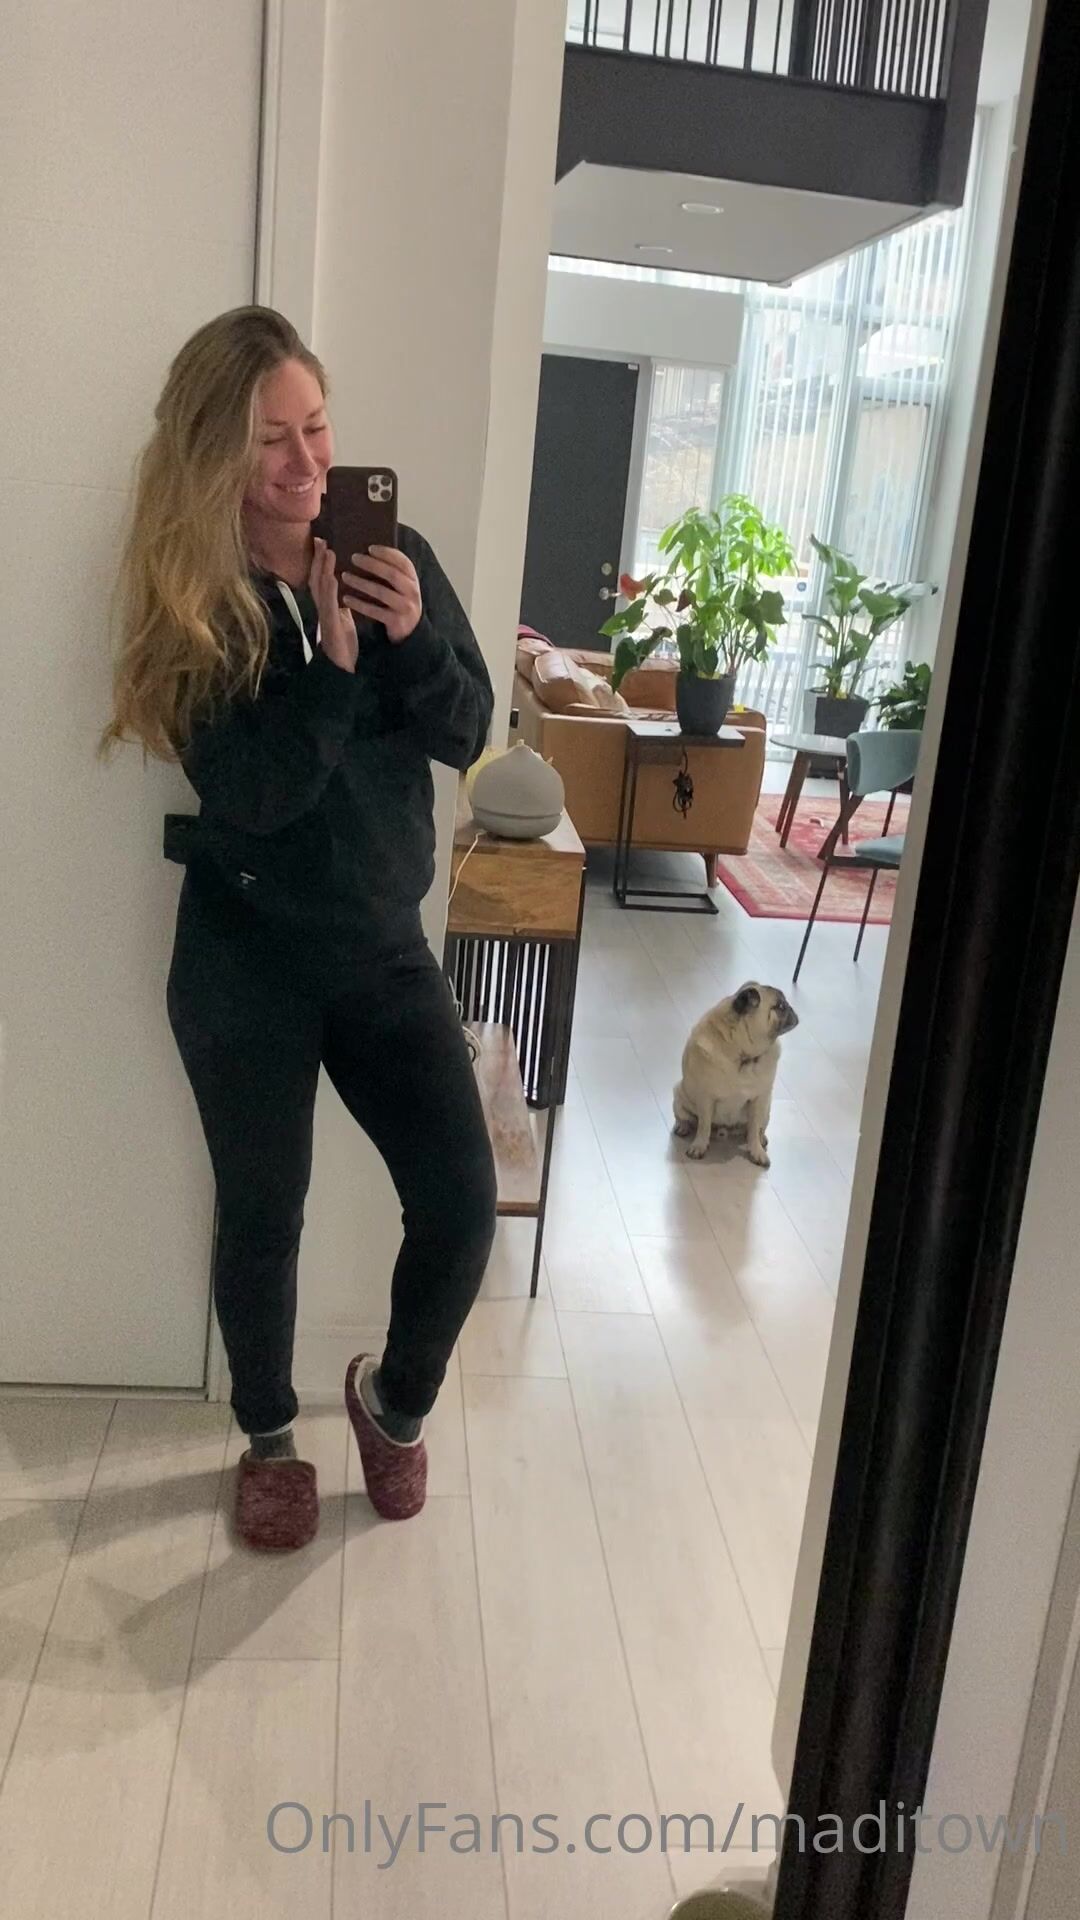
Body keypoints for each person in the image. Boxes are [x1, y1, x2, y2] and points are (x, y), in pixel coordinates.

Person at [101, 306, 497, 1550]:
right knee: (266, 1214)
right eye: (271, 439)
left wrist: (408, 635)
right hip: (246, 959)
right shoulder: (193, 602)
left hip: (382, 950)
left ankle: (394, 1403)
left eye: (316, 426)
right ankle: (268, 1435)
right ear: (216, 453)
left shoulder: (394, 556)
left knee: (462, 1201)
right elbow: (255, 796)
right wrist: (329, 663)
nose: (306, 461)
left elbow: (466, 731)